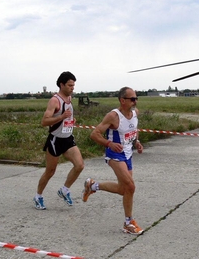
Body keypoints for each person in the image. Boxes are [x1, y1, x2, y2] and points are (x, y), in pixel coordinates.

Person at [83, 86, 144, 235]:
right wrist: (109, 143)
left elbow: (133, 130)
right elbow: (94, 134)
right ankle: (128, 223)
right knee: (130, 187)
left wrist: (136, 142)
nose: (135, 101)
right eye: (132, 99)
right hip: (114, 155)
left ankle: (93, 186)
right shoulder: (113, 116)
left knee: (124, 190)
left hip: (128, 154)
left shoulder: (135, 113)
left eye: (136, 98)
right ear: (122, 100)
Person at [33, 71, 84, 210]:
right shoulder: (55, 100)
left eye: (73, 85)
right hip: (55, 140)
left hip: (68, 139)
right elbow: (44, 121)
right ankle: (38, 196)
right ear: (61, 85)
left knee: (79, 165)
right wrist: (61, 117)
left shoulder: (69, 98)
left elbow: (66, 117)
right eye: (69, 85)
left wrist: (70, 121)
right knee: (50, 171)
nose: (72, 88)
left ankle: (65, 190)